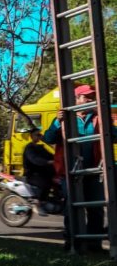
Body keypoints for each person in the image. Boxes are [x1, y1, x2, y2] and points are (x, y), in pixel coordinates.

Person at [44, 84, 115, 252]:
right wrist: (57, 122)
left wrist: (108, 123)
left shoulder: (99, 117)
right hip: (71, 172)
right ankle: (72, 242)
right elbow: (48, 138)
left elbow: (114, 136)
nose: (91, 100)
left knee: (96, 208)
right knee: (72, 208)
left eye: (92, 97)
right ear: (76, 99)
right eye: (87, 96)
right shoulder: (65, 118)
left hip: (94, 171)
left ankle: (94, 244)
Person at [22, 128, 55, 212]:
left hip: (41, 173)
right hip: (32, 174)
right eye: (37, 135)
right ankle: (37, 203)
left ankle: (47, 201)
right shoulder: (29, 148)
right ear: (31, 136)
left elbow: (50, 155)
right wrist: (47, 162)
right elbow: (34, 159)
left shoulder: (40, 147)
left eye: (40, 135)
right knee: (44, 182)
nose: (39, 137)